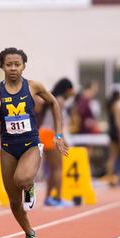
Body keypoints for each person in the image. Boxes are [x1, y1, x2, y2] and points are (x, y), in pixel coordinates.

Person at [0, 47, 68, 238]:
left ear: (23, 66)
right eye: (9, 64)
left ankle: (29, 186)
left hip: (30, 144)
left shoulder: (33, 86)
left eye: (17, 64)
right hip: (7, 147)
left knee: (22, 179)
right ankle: (30, 233)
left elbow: (54, 103)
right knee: (14, 202)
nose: (13, 68)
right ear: (2, 67)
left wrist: (58, 135)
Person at [37, 78, 74, 207]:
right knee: (57, 168)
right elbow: (59, 121)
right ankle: (58, 198)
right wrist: (61, 138)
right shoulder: (60, 100)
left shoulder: (51, 98)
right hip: (51, 134)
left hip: (44, 133)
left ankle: (48, 198)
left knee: (52, 169)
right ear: (68, 90)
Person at [105, 90, 120, 185]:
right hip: (116, 133)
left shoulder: (112, 106)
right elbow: (118, 122)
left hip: (112, 132)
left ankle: (112, 177)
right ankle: (115, 178)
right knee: (119, 156)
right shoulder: (117, 106)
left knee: (113, 156)